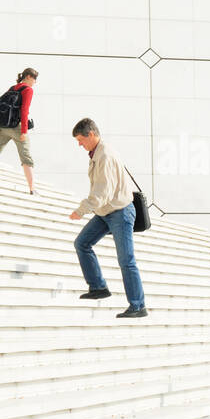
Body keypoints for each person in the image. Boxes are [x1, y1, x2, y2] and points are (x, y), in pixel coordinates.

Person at [69, 117, 147, 319]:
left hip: (120, 212)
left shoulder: (105, 156)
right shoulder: (97, 153)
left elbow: (101, 192)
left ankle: (138, 306)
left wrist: (81, 210)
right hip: (105, 212)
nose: (79, 144)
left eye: (81, 140)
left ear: (91, 134)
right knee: (82, 243)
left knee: (126, 260)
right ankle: (98, 287)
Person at [0, 68, 38, 194]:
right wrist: (24, 131)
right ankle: (32, 189)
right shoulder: (28, 90)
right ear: (29, 77)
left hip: (4, 127)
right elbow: (24, 111)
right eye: (35, 79)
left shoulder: (13, 88)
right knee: (26, 159)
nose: (35, 82)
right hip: (18, 128)